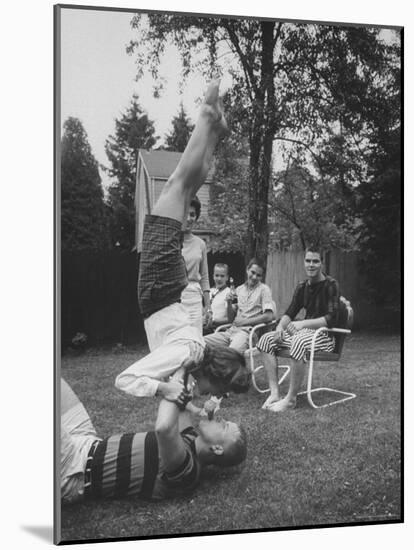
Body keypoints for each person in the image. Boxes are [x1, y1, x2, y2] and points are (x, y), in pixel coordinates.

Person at [115, 79, 250, 402]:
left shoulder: (194, 356)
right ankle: (206, 119)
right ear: (212, 377)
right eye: (218, 392)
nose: (213, 397)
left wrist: (180, 385)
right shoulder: (183, 356)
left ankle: (215, 133)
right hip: (159, 291)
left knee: (186, 188)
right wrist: (163, 388)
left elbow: (197, 369)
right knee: (176, 184)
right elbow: (126, 379)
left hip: (167, 292)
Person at [61, 377, 247, 505]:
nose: (221, 419)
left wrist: (173, 386)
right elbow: (181, 404)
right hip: (88, 441)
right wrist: (187, 366)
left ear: (216, 448)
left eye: (224, 426)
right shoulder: (190, 437)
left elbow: (164, 429)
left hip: (75, 470)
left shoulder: (189, 470)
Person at [257, 246, 340, 412]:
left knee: (298, 340)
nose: (311, 265)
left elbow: (332, 319)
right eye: (308, 261)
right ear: (304, 262)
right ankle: (274, 393)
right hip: (304, 334)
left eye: (315, 261)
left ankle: (290, 399)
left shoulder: (331, 285)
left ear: (321, 263)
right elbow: (290, 311)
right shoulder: (302, 286)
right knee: (266, 339)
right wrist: (280, 327)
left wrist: (302, 324)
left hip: (325, 336)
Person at [203, 258, 275, 354]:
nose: (254, 277)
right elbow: (231, 318)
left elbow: (269, 316)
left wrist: (244, 322)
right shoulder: (239, 289)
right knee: (200, 343)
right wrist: (228, 303)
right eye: (252, 272)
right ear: (247, 270)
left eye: (258, 275)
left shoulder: (264, 290)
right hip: (230, 331)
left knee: (230, 354)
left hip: (247, 333)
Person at [181, 195, 212, 335]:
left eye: (192, 215)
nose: (189, 218)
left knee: (194, 341)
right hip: (175, 299)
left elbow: (204, 278)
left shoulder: (200, 244)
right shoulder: (170, 242)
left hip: (194, 298)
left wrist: (208, 307)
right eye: (185, 214)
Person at [206, 262, 232, 330]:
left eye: (222, 276)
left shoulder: (228, 293)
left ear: (227, 277)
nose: (219, 279)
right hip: (207, 325)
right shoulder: (210, 291)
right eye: (217, 275)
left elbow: (230, 319)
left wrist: (213, 321)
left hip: (219, 328)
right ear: (213, 276)